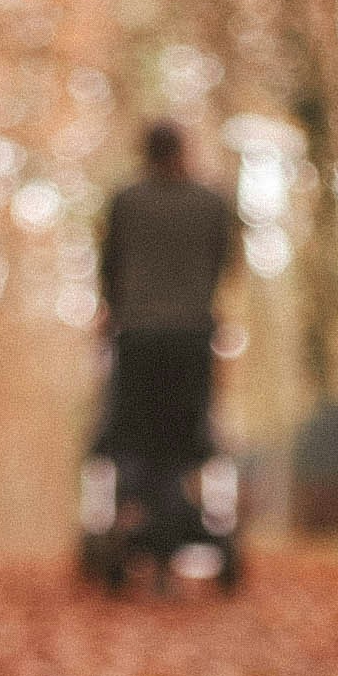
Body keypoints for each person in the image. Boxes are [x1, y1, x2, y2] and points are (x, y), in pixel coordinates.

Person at [94, 121, 239, 474]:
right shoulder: (211, 202)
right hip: (191, 334)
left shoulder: (126, 201)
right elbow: (226, 263)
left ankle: (130, 506)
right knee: (191, 431)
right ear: (182, 152)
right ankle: (192, 500)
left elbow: (109, 266)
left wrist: (112, 311)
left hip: (136, 335)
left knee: (130, 431)